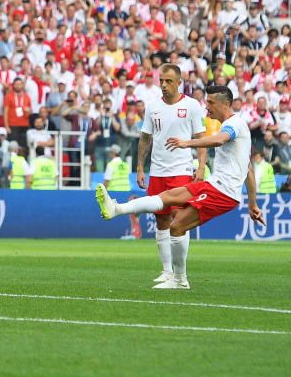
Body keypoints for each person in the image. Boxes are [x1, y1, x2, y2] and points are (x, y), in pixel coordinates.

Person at [96, 86, 264, 290]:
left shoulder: (234, 124)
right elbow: (248, 170)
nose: (207, 107)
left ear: (226, 104)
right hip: (214, 186)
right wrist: (252, 204)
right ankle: (117, 209)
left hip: (222, 192)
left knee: (176, 227)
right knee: (166, 197)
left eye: (211, 103)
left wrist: (187, 143)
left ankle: (179, 280)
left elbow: (221, 140)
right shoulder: (234, 128)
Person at [135, 64, 207, 284]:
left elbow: (200, 137)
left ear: (179, 82)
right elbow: (146, 138)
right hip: (157, 171)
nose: (164, 85)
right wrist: (140, 166)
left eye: (168, 81)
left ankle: (180, 274)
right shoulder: (153, 106)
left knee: (179, 219)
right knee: (161, 219)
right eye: (161, 81)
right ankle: (167, 271)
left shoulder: (192, 106)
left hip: (181, 170)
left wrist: (201, 165)